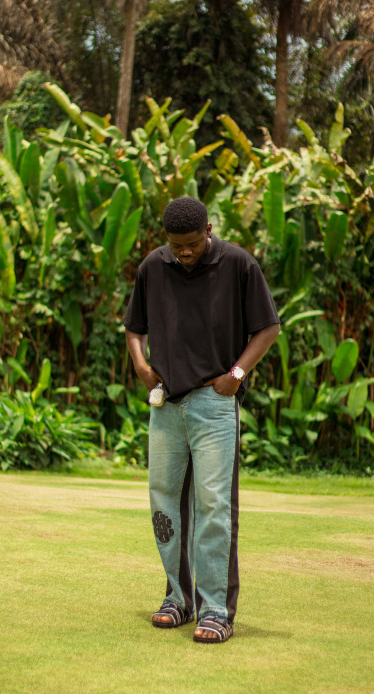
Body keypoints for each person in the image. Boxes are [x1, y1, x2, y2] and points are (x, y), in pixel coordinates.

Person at [124, 196, 280, 644]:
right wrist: (140, 363)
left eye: (191, 244)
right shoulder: (154, 266)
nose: (184, 253)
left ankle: (216, 609)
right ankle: (178, 598)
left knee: (213, 506)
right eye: (176, 245)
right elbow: (135, 327)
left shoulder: (237, 264)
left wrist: (236, 374)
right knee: (164, 504)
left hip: (214, 402)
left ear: (208, 230)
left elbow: (267, 326)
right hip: (166, 404)